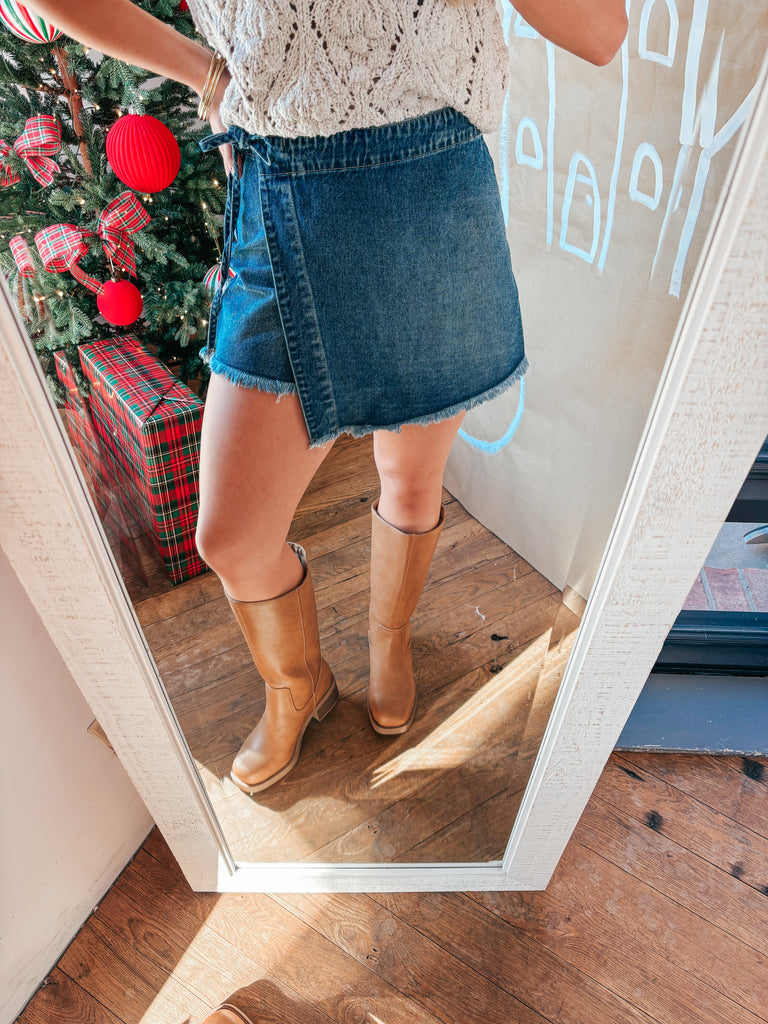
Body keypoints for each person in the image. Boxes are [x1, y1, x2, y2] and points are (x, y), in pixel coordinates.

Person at [32, 0, 628, 795]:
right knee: (234, 537)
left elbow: (600, 33)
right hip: (280, 196)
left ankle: (390, 638)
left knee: (412, 482)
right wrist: (205, 69)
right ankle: (297, 685)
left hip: (432, 189)